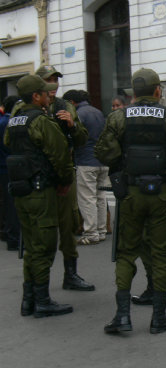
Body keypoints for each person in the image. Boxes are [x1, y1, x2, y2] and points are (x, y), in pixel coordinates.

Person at [96, 68, 166, 334]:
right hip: (162, 192)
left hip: (129, 193)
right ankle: (159, 317)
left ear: (133, 93)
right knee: (161, 251)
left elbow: (104, 152)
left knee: (126, 252)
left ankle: (122, 316)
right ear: (157, 91)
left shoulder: (118, 117)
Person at [4, 75, 74, 317]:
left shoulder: (15, 120)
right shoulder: (41, 121)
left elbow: (7, 144)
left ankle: (29, 299)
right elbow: (60, 154)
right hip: (40, 190)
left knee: (32, 246)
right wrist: (65, 181)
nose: (48, 96)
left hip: (21, 190)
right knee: (44, 246)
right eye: (45, 92)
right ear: (36, 96)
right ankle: (42, 301)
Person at [34, 65, 95, 291]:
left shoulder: (65, 106)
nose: (53, 85)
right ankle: (38, 284)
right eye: (48, 80)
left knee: (68, 225)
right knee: (41, 231)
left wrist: (72, 124)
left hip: (65, 173)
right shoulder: (28, 107)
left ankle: (71, 274)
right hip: (39, 176)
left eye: (55, 80)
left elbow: (81, 139)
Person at [62, 90, 109, 245]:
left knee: (87, 197)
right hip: (102, 161)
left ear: (72, 102)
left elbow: (75, 136)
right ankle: (101, 230)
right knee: (101, 197)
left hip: (86, 161)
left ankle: (91, 233)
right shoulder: (98, 112)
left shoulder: (79, 114)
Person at [0, 96, 22, 251]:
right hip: (12, 166)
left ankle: (10, 235)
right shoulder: (11, 123)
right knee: (14, 204)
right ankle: (14, 237)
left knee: (8, 204)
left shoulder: (3, 122)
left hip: (3, 166)